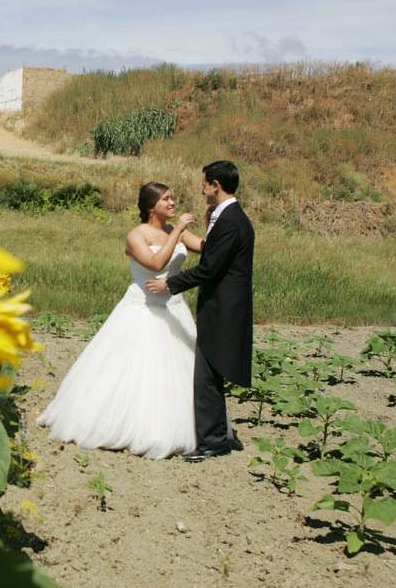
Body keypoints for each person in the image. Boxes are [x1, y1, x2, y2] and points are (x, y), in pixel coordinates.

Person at [37, 182, 204, 459]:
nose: (173, 203)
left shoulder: (172, 231)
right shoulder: (136, 235)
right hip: (143, 308)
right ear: (152, 206)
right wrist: (178, 230)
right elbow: (155, 265)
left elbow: (203, 246)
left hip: (174, 307)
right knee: (136, 368)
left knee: (179, 370)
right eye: (166, 199)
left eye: (173, 198)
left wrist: (219, 222)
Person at [146, 161, 254, 462]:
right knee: (211, 374)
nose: (201, 188)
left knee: (207, 376)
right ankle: (216, 435)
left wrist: (170, 283)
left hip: (224, 309)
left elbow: (209, 269)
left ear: (216, 185)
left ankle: (213, 442)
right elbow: (214, 254)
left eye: (204, 183)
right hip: (222, 307)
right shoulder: (228, 217)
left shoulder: (231, 220)